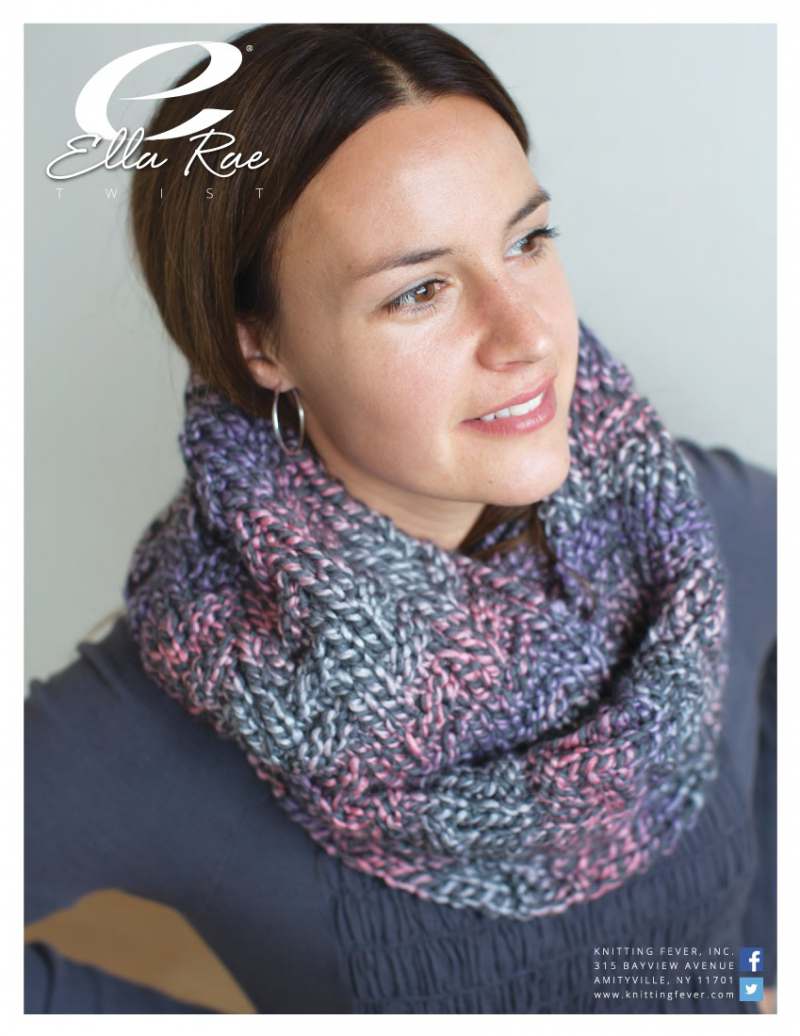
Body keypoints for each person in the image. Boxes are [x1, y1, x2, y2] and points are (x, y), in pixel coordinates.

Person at [25, 23, 777, 1013]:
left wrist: (754, 976)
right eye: (420, 290)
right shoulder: (158, 720)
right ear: (262, 346)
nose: (527, 336)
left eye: (527, 240)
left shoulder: (711, 533)